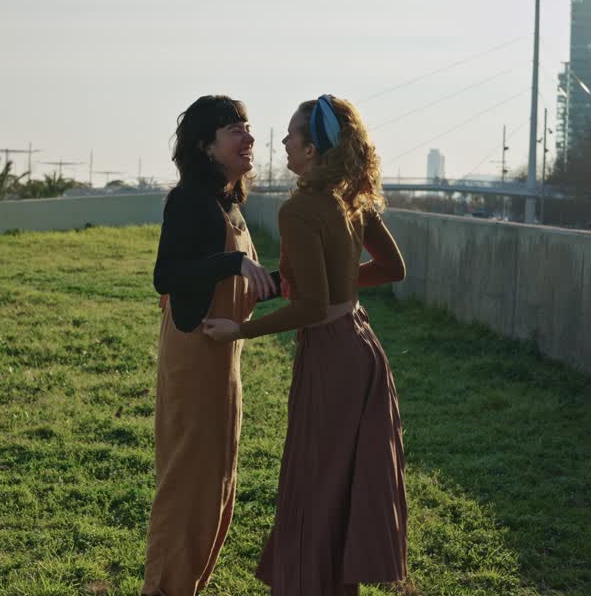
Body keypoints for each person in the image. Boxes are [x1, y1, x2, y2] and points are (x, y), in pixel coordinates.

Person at [203, 94, 408, 596]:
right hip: (363, 347)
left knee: (316, 483)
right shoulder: (352, 197)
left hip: (331, 356)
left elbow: (311, 309)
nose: (283, 143)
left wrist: (239, 330)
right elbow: (391, 269)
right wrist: (338, 286)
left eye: (292, 136)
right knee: (343, 484)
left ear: (313, 150)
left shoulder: (299, 209)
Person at [143, 95, 277, 596]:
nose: (248, 137)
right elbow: (167, 275)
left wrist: (310, 281)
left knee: (218, 487)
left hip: (225, 362)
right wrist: (232, 264)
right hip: (194, 358)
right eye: (233, 129)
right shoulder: (189, 201)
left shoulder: (229, 203)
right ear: (206, 144)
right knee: (187, 488)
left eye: (248, 127)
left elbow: (251, 283)